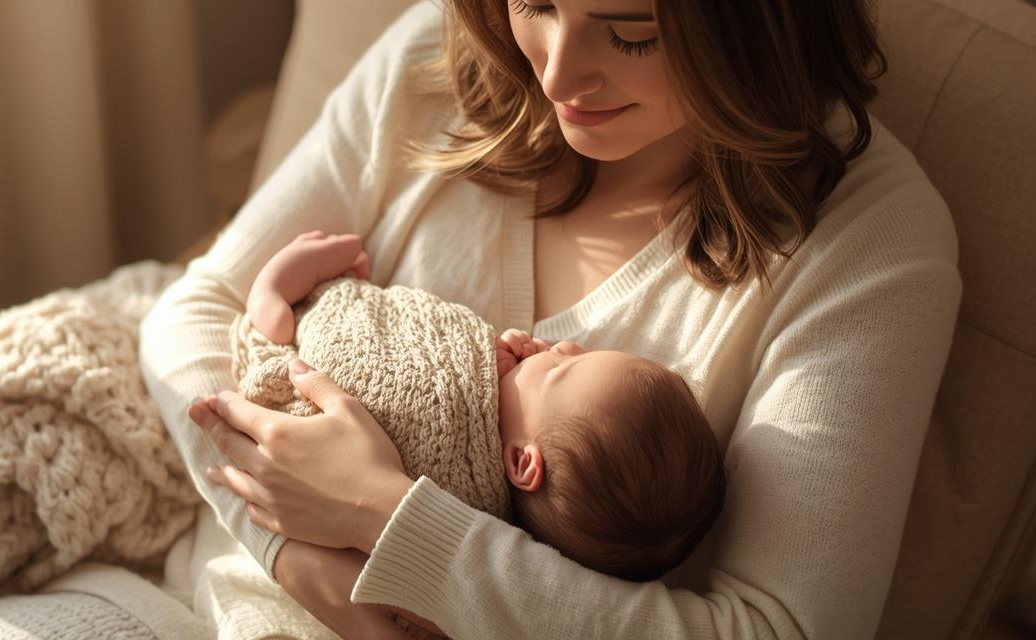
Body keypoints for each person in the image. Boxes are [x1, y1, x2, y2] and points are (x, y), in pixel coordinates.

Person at [142, 0, 962, 637]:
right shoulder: (440, 62)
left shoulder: (868, 240)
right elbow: (196, 311)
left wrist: (389, 520)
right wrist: (296, 558)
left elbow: (780, 630)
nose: (561, 76)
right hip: (202, 591)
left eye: (634, 37)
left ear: (759, 16)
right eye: (534, 0)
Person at [236, 230, 726, 583]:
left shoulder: (460, 483)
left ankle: (277, 303)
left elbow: (394, 388)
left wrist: (296, 293)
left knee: (286, 332)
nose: (558, 345)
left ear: (521, 462)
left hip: (295, 377)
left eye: (559, 370)